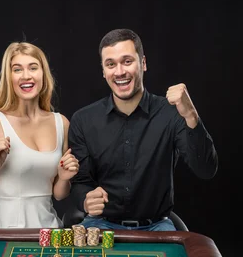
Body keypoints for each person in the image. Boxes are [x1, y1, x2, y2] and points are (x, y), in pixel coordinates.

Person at [69, 28, 218, 231]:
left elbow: (206, 169)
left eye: (127, 61)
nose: (120, 71)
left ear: (143, 63)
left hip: (157, 226)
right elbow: (80, 182)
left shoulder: (172, 113)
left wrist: (191, 115)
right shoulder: (83, 120)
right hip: (100, 224)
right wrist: (86, 201)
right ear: (103, 71)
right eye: (111, 64)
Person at [0, 41, 79, 228]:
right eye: (17, 69)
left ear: (43, 74)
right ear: (9, 77)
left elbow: (59, 194)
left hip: (49, 230)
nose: (26, 76)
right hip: (6, 233)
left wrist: (64, 177)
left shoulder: (61, 123)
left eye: (33, 68)